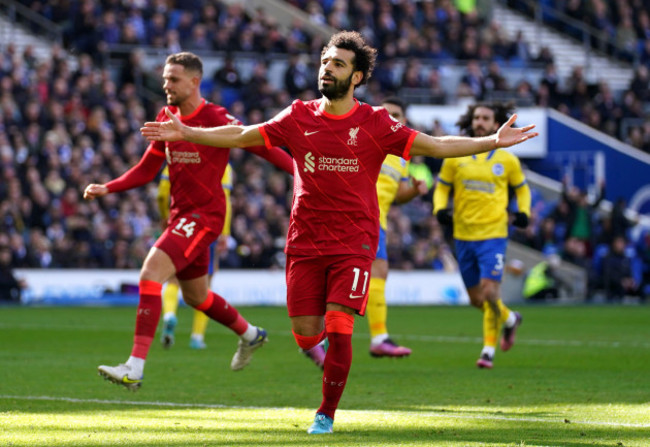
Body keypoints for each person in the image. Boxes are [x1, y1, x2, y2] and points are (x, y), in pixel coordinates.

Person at [141, 32, 537, 434]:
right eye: (325, 61)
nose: (327, 68)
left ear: (358, 76)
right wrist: (189, 133)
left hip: (354, 242)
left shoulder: (376, 123)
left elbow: (434, 145)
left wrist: (491, 141)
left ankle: (325, 413)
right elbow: (244, 135)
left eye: (338, 64)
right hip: (305, 242)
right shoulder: (297, 115)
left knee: (339, 325)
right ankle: (326, 373)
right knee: (305, 334)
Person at [83, 51, 293, 390]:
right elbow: (148, 169)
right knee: (197, 297)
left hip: (205, 215)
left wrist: (299, 171)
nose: (166, 84)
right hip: (181, 216)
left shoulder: (216, 116)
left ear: (195, 81)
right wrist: (109, 187)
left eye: (173, 79)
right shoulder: (166, 116)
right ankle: (251, 334)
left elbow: (263, 146)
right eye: (165, 78)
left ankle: (134, 367)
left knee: (150, 275)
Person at [302, 97, 428, 367]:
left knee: (378, 272)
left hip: (375, 222)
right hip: (350, 217)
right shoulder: (364, 139)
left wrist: (414, 190)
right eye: (387, 113)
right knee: (352, 275)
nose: (392, 117)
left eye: (397, 114)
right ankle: (328, 337)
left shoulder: (402, 158)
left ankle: (376, 337)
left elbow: (396, 195)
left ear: (404, 121)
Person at [433, 101, 531, 370]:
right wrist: (439, 208)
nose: (479, 122)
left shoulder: (507, 159)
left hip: (494, 234)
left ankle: (487, 351)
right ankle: (510, 319)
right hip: (463, 235)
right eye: (476, 117)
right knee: (477, 299)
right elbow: (442, 187)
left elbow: (522, 189)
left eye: (486, 118)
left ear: (495, 122)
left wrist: (523, 212)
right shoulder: (457, 154)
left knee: (489, 291)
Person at [157, 164, 234, 350]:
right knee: (206, 285)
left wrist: (165, 217)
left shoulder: (175, 157)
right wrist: (224, 232)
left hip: (179, 224)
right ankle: (197, 337)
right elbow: (224, 198)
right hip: (207, 226)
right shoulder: (222, 164)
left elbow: (161, 195)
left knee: (173, 278)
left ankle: (169, 315)